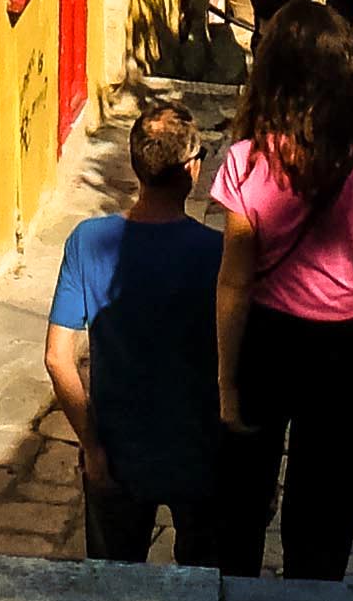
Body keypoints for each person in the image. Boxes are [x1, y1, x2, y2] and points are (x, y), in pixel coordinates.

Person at [211, 0, 353, 580]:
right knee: (325, 519)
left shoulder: (245, 163)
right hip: (342, 354)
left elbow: (233, 283)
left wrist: (228, 384)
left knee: (241, 511)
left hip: (265, 342)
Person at [41, 100, 227, 564]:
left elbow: (57, 357)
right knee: (201, 588)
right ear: (192, 170)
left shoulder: (88, 241)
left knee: (110, 593)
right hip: (200, 453)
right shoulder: (218, 255)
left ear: (135, 163)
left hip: (118, 452)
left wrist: (92, 446)